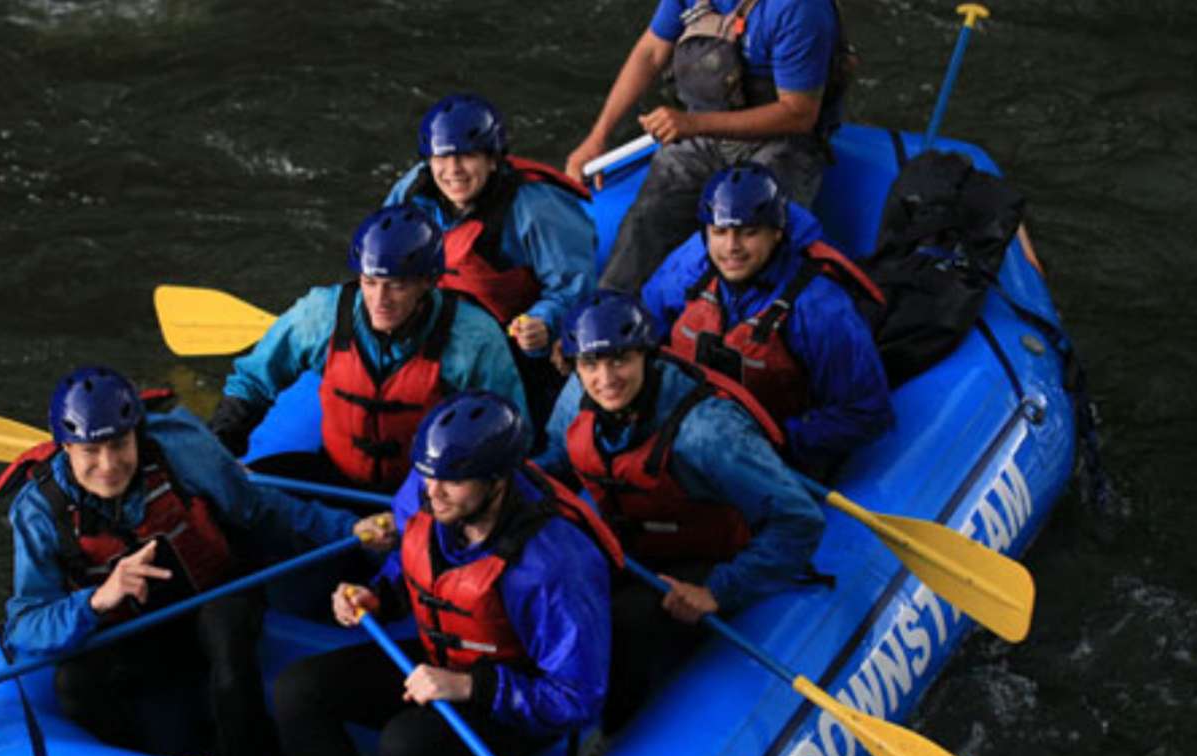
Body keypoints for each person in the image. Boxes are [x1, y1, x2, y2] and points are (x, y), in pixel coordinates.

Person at [0, 365, 377, 756]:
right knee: (74, 682)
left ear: (136, 433)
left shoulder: (179, 448)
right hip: (132, 632)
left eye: (119, 444)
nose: (108, 465)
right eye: (91, 451)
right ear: (66, 449)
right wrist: (97, 599)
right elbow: (26, 624)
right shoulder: (38, 511)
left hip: (215, 599)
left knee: (228, 635)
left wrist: (349, 532)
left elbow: (262, 508)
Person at [271, 392, 618, 756]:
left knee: (405, 746)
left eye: (452, 481)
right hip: (441, 659)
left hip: (510, 699)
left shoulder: (553, 566)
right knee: (297, 688)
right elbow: (412, 562)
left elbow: (575, 698)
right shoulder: (429, 489)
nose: (432, 492)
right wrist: (378, 596)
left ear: (497, 481)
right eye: (427, 475)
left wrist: (469, 687)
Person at [537, 291, 825, 729]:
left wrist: (718, 590)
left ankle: (616, 733)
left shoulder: (708, 432)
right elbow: (554, 465)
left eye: (620, 361)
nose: (605, 378)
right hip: (632, 546)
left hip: (710, 561)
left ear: (645, 356)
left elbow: (799, 520)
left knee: (627, 622)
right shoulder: (577, 397)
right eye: (591, 365)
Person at [208, 204, 527, 491]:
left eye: (397, 286)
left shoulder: (474, 340)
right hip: (336, 471)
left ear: (427, 283)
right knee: (240, 495)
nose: (380, 300)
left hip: (427, 491)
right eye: (370, 283)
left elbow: (509, 437)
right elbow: (251, 384)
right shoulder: (320, 314)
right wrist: (220, 444)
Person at [564, 0, 855, 293]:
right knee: (646, 219)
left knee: (756, 240)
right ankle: (614, 310)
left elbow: (799, 114)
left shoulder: (798, 8)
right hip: (702, 134)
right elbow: (650, 53)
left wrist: (694, 125)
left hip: (782, 142)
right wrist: (598, 137)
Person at [642, 162, 892, 476]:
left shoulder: (820, 309)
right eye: (720, 232)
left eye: (749, 233)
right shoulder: (689, 266)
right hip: (691, 426)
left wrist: (778, 439)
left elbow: (865, 412)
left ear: (776, 233)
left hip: (772, 449)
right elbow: (645, 334)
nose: (731, 247)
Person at [383, 93, 598, 433]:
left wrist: (544, 321)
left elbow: (575, 289)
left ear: (493, 160)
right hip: (435, 330)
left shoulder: (537, 207)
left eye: (467, 156)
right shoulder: (413, 190)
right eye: (443, 157)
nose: (453, 170)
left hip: (511, 345)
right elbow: (383, 256)